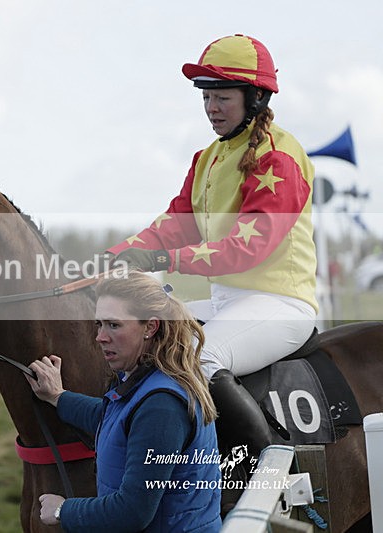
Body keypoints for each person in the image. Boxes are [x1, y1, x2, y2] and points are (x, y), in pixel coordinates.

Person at [107, 34, 318, 462]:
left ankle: (273, 468)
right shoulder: (207, 158)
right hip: (228, 302)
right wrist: (121, 253)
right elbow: (174, 224)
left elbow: (248, 246)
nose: (211, 108)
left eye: (222, 97)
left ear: (256, 98)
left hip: (280, 304)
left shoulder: (279, 157)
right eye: (206, 98)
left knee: (200, 359)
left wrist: (165, 259)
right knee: (145, 339)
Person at [26, 273, 221, 532]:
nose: (100, 337)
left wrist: (64, 510)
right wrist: (57, 396)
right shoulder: (146, 379)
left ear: (150, 327)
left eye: (113, 325)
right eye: (99, 324)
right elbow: (114, 420)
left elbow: (132, 511)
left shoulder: (161, 405)